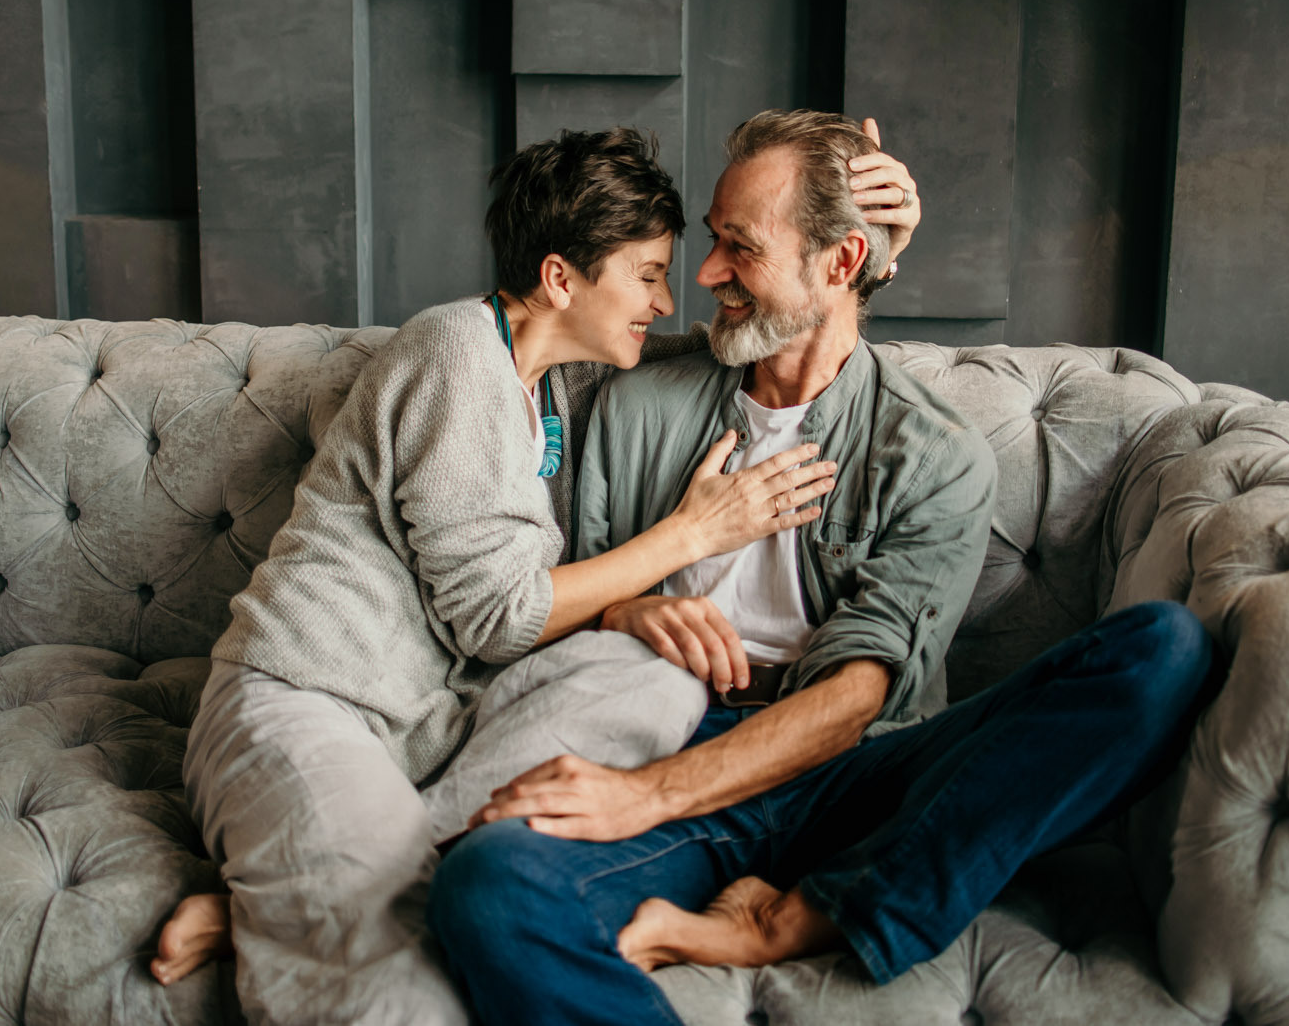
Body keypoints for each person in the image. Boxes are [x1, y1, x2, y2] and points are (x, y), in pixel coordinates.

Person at [427, 109, 1216, 1025]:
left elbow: (860, 693)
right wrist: (625, 612)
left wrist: (642, 800)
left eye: (739, 248)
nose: (706, 274)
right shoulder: (639, 400)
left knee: (1162, 650)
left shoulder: (936, 452)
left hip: (856, 778)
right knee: (489, 885)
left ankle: (803, 916)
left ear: (840, 263)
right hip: (664, 732)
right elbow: (557, 591)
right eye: (712, 242)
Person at [152, 126, 924, 1025]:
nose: (667, 299)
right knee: (407, 977)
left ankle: (268, 903)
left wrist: (877, 258)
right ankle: (297, 894)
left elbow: (774, 337)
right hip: (305, 699)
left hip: (422, 736)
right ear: (562, 279)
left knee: (652, 681)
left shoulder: (551, 379)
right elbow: (498, 619)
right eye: (646, 275)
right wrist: (689, 534)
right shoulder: (453, 355)